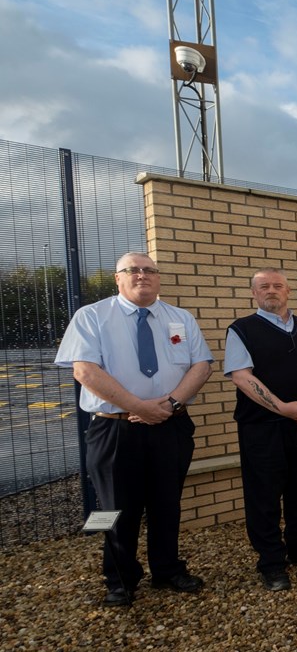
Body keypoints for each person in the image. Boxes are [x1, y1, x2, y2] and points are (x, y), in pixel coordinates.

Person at [55, 252, 213, 606]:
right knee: (113, 508)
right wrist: (138, 406)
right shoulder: (92, 316)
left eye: (149, 270)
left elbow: (201, 366)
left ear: (158, 278)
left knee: (167, 504)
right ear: (117, 278)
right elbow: (85, 371)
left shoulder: (180, 318)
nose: (142, 276)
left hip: (170, 427)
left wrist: (169, 405)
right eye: (133, 270)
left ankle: (167, 569)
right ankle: (120, 579)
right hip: (115, 430)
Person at [225, 268, 297, 592]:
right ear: (254, 294)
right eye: (264, 287)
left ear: (288, 291)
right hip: (264, 429)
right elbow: (242, 376)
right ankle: (272, 562)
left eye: (277, 286)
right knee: (264, 497)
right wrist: (280, 407)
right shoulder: (242, 329)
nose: (271, 291)